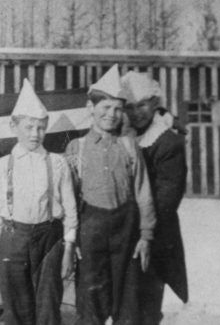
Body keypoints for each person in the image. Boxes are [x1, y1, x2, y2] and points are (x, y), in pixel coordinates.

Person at [64, 65, 156, 325]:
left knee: (127, 301)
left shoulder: (129, 145)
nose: (111, 115)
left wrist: (146, 235)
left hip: (126, 231)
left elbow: (143, 192)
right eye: (105, 108)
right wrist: (72, 240)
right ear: (90, 108)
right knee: (90, 301)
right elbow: (68, 198)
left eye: (117, 109)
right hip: (90, 230)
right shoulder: (77, 148)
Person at [0, 79, 78, 325]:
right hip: (12, 238)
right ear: (13, 126)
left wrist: (68, 250)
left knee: (48, 304)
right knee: (16, 307)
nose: (34, 134)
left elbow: (70, 210)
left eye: (40, 128)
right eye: (28, 127)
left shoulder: (56, 163)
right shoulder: (3, 165)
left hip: (49, 238)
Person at [121, 71, 189, 324]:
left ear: (154, 103)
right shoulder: (125, 136)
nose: (137, 113)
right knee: (126, 305)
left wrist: (144, 231)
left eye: (142, 105)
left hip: (155, 234)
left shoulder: (167, 142)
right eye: (129, 107)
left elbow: (167, 198)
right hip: (126, 232)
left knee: (147, 303)